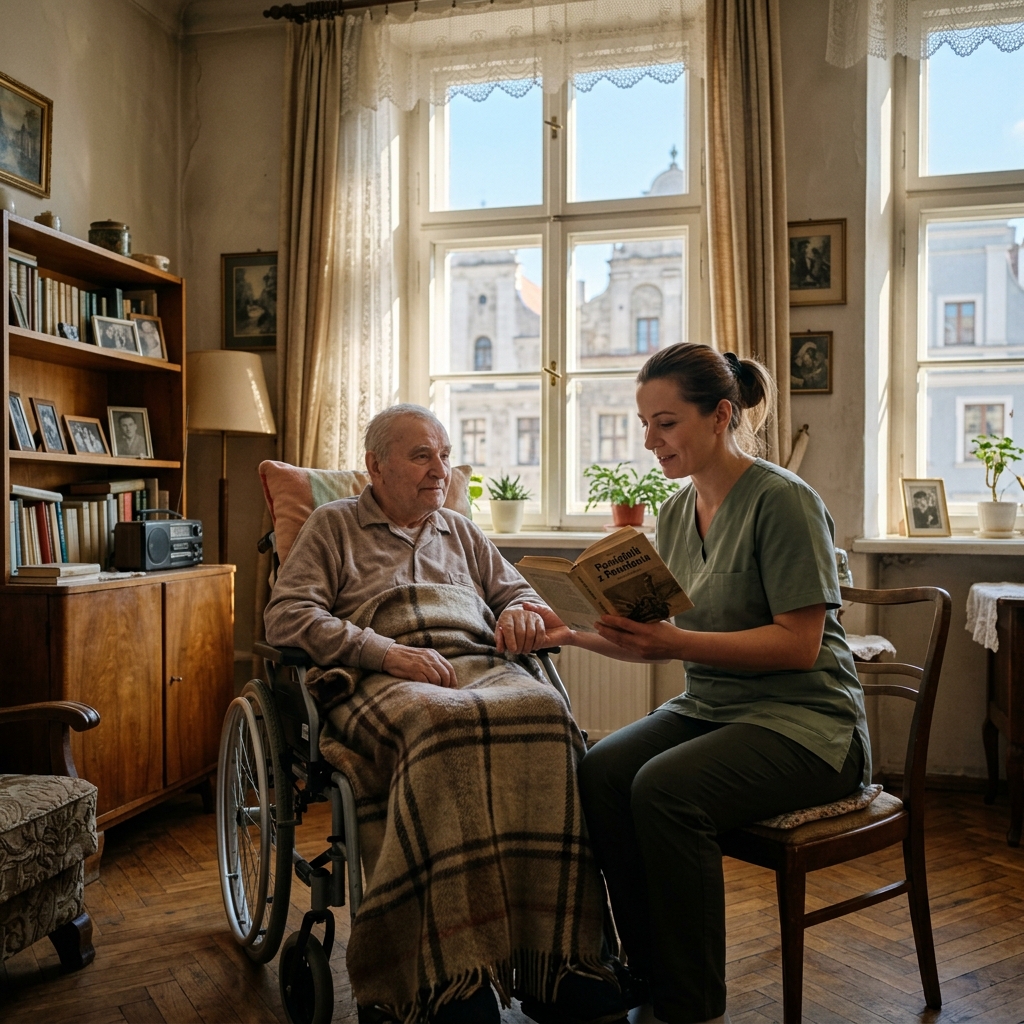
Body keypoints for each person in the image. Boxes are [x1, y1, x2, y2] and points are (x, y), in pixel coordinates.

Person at [527, 344, 870, 1024]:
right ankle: (646, 973)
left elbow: (800, 648)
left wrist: (675, 642)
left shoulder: (785, 502)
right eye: (644, 423)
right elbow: (655, 638)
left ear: (720, 416)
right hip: (714, 710)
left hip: (808, 727)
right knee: (600, 771)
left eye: (665, 423)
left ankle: (690, 1005)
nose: (649, 441)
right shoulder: (678, 512)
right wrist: (568, 634)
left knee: (665, 789)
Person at [264, 405, 626, 1024]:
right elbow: (288, 614)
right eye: (422, 455)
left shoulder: (460, 531)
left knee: (549, 716)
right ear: (375, 467)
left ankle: (556, 962)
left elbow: (519, 592)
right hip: (380, 671)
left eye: (445, 455)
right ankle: (448, 977)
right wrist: (384, 651)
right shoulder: (333, 526)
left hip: (474, 659)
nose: (441, 470)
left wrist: (519, 613)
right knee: (439, 726)